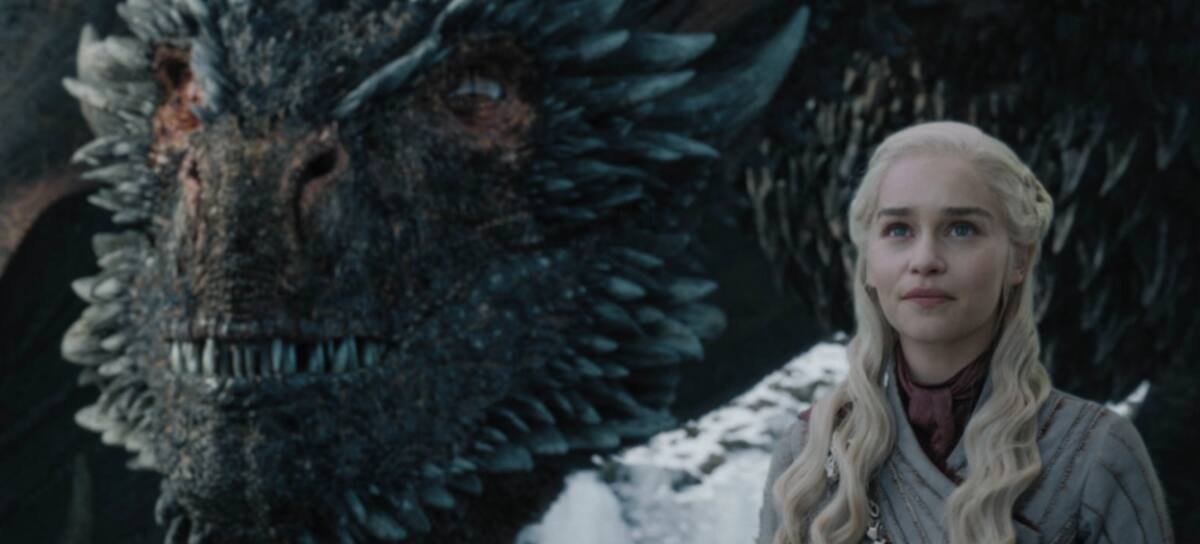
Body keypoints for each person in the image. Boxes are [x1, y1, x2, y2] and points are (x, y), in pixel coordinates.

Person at [756, 121, 1173, 544]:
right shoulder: (808, 453)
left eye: (961, 229)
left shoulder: (1096, 453)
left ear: (1019, 260)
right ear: (868, 263)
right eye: (898, 229)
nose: (925, 260)